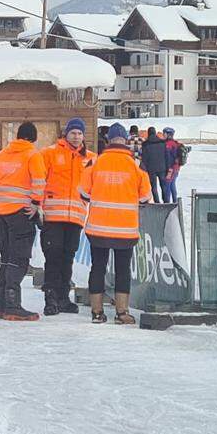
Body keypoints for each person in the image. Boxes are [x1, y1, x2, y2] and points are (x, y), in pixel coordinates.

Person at [80, 123, 153, 324]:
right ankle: (122, 313)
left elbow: (84, 194)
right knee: (123, 269)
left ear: (108, 140)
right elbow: (146, 197)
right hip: (125, 229)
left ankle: (96, 312)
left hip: (98, 228)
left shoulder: (94, 163)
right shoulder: (136, 165)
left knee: (98, 267)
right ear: (126, 141)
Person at [0, 121, 47, 321]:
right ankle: (13, 304)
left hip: (1, 214)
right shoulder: (32, 155)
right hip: (21, 213)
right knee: (18, 259)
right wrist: (36, 203)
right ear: (33, 137)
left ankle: (1, 304)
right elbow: (39, 181)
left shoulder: (1, 155)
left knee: (6, 258)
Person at [38, 118, 95, 316]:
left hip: (76, 217)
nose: (76, 136)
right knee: (53, 257)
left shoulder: (91, 159)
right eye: (73, 133)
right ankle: (50, 298)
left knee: (68, 257)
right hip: (53, 217)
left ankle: (63, 297)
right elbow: (38, 179)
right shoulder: (50, 153)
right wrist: (37, 205)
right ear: (66, 134)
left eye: (79, 133)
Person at [140, 126, 168, 203]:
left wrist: (144, 168)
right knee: (163, 186)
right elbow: (166, 156)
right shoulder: (162, 143)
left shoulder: (145, 144)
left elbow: (144, 158)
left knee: (153, 187)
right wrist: (167, 167)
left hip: (151, 169)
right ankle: (166, 201)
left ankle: (157, 202)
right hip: (162, 167)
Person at [163, 127, 183, 203]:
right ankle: (175, 201)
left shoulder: (168, 144)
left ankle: (167, 202)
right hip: (176, 167)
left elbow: (168, 157)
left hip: (171, 168)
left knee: (167, 184)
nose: (163, 135)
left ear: (168, 135)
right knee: (172, 184)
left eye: (164, 133)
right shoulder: (176, 143)